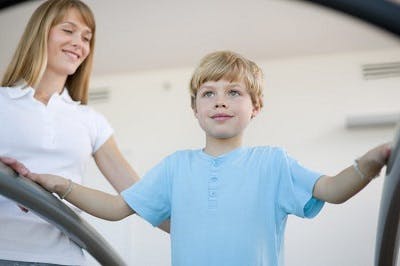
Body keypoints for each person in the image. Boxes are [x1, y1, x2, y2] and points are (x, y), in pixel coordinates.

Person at [25, 51, 391, 266]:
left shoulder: (273, 163)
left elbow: (331, 189)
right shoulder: (175, 167)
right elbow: (117, 207)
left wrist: (369, 165)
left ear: (255, 108)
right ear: (195, 109)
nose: (220, 101)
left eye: (234, 92)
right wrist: (63, 186)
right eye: (208, 93)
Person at [0, 1, 171, 265]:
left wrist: (199, 231)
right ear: (40, 33)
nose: (79, 43)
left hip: (64, 258)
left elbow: (140, 195)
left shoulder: (91, 121)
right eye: (68, 30)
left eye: (86, 37)